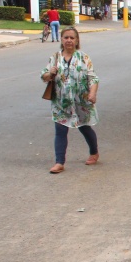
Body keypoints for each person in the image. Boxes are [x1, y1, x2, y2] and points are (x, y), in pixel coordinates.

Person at [40, 27, 100, 174]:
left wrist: (92, 94)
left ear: (77, 40)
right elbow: (43, 76)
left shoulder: (83, 58)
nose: (69, 40)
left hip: (81, 101)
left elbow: (93, 78)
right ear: (61, 39)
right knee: (60, 130)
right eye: (66, 37)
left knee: (84, 127)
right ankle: (59, 162)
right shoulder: (55, 57)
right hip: (61, 102)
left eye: (72, 38)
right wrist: (50, 73)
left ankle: (94, 152)